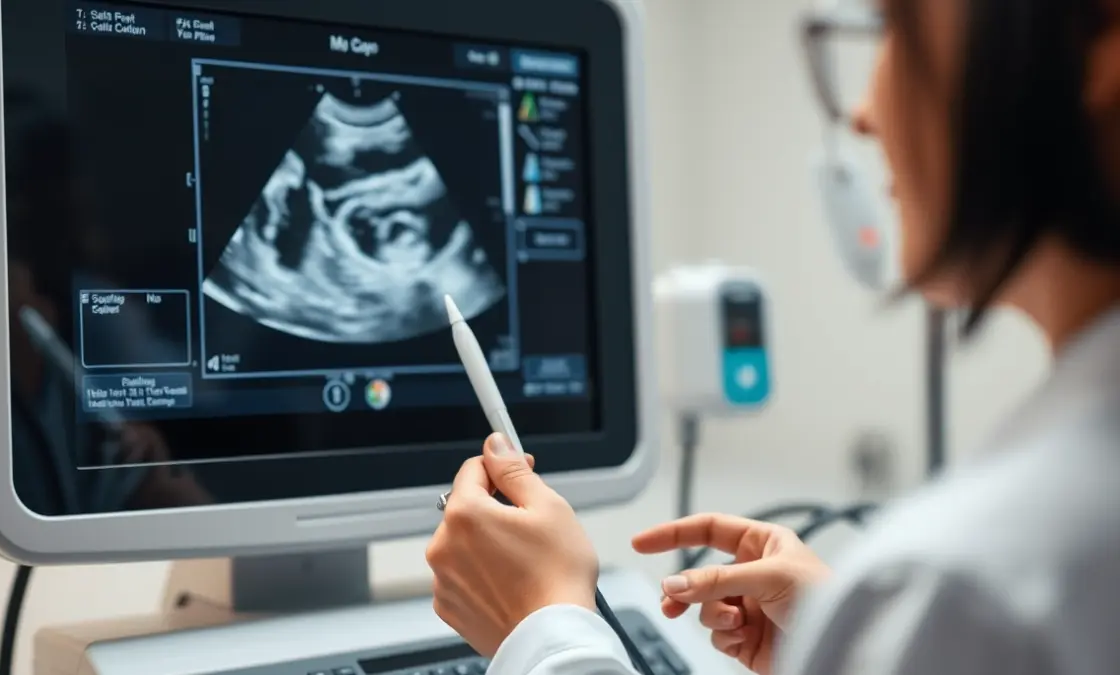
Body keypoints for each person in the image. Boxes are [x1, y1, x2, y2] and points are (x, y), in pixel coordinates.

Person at [425, 0, 1120, 673]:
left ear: (1102, 37)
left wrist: (545, 634)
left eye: (894, 29)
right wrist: (854, 646)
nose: (864, 114)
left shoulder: (975, 590)